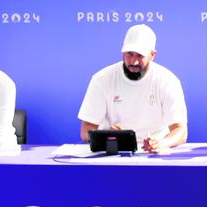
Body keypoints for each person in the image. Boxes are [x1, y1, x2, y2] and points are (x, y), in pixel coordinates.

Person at [78, 24, 188, 153]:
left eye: (140, 56)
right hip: (113, 152)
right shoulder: (102, 79)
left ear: (152, 55)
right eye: (130, 54)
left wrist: (161, 143)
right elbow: (86, 130)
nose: (134, 62)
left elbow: (180, 130)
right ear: (122, 52)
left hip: (154, 153)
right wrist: (106, 135)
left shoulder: (168, 80)